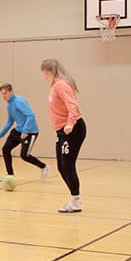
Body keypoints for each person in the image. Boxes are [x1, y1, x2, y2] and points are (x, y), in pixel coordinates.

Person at [42, 59, 87, 213]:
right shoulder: (55, 86)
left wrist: (70, 124)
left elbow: (73, 105)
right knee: (61, 167)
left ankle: (76, 201)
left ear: (46, 71)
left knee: (67, 166)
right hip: (62, 131)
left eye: (43, 73)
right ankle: (75, 199)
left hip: (72, 129)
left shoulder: (61, 85)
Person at [0, 83, 48, 182]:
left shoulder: (19, 101)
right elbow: (10, 121)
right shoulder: (9, 105)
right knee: (5, 149)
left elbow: (31, 115)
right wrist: (0, 135)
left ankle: (44, 166)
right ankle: (10, 175)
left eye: (5, 93)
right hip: (18, 130)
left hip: (30, 132)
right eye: (2, 94)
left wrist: (25, 131)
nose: (3, 96)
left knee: (24, 155)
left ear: (11, 92)